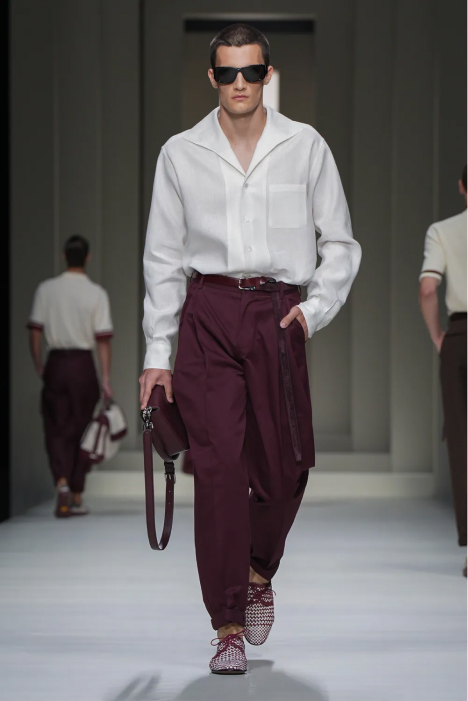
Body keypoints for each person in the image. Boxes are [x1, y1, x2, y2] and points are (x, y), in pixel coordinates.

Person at [139, 23, 362, 674]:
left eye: (253, 71)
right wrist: (158, 353)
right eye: (230, 72)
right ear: (212, 77)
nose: (241, 83)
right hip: (206, 312)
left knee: (287, 465)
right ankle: (228, 623)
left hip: (276, 311)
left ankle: (259, 569)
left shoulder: (305, 146)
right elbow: (162, 260)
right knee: (217, 472)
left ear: (268, 74)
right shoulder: (180, 153)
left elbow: (340, 243)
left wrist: (312, 312)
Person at [27, 235, 114, 518]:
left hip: (56, 362)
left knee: (55, 426)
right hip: (82, 366)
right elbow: (103, 340)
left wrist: (40, 364)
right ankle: (76, 494)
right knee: (82, 429)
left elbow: (35, 331)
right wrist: (105, 378)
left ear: (64, 256)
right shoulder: (96, 293)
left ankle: (62, 483)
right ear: (88, 257)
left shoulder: (46, 290)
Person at [419, 165, 467, 576]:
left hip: (461, 339)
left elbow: (428, 288)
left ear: (463, 187)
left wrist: (439, 336)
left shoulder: (443, 231)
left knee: (462, 442)